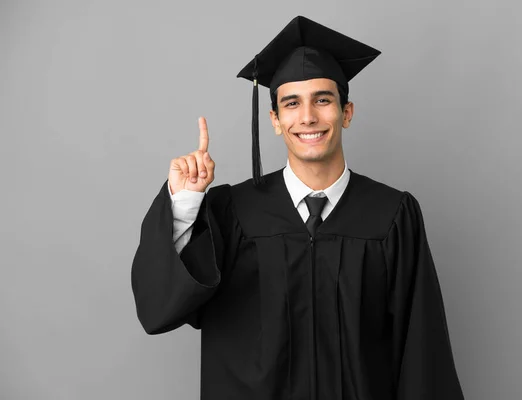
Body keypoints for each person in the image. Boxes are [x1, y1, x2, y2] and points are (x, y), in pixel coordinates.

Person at [131, 15, 464, 400]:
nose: (308, 117)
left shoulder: (392, 216)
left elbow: (423, 353)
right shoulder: (231, 212)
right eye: (292, 103)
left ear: (347, 112)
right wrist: (187, 203)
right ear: (275, 119)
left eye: (323, 100)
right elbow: (158, 310)